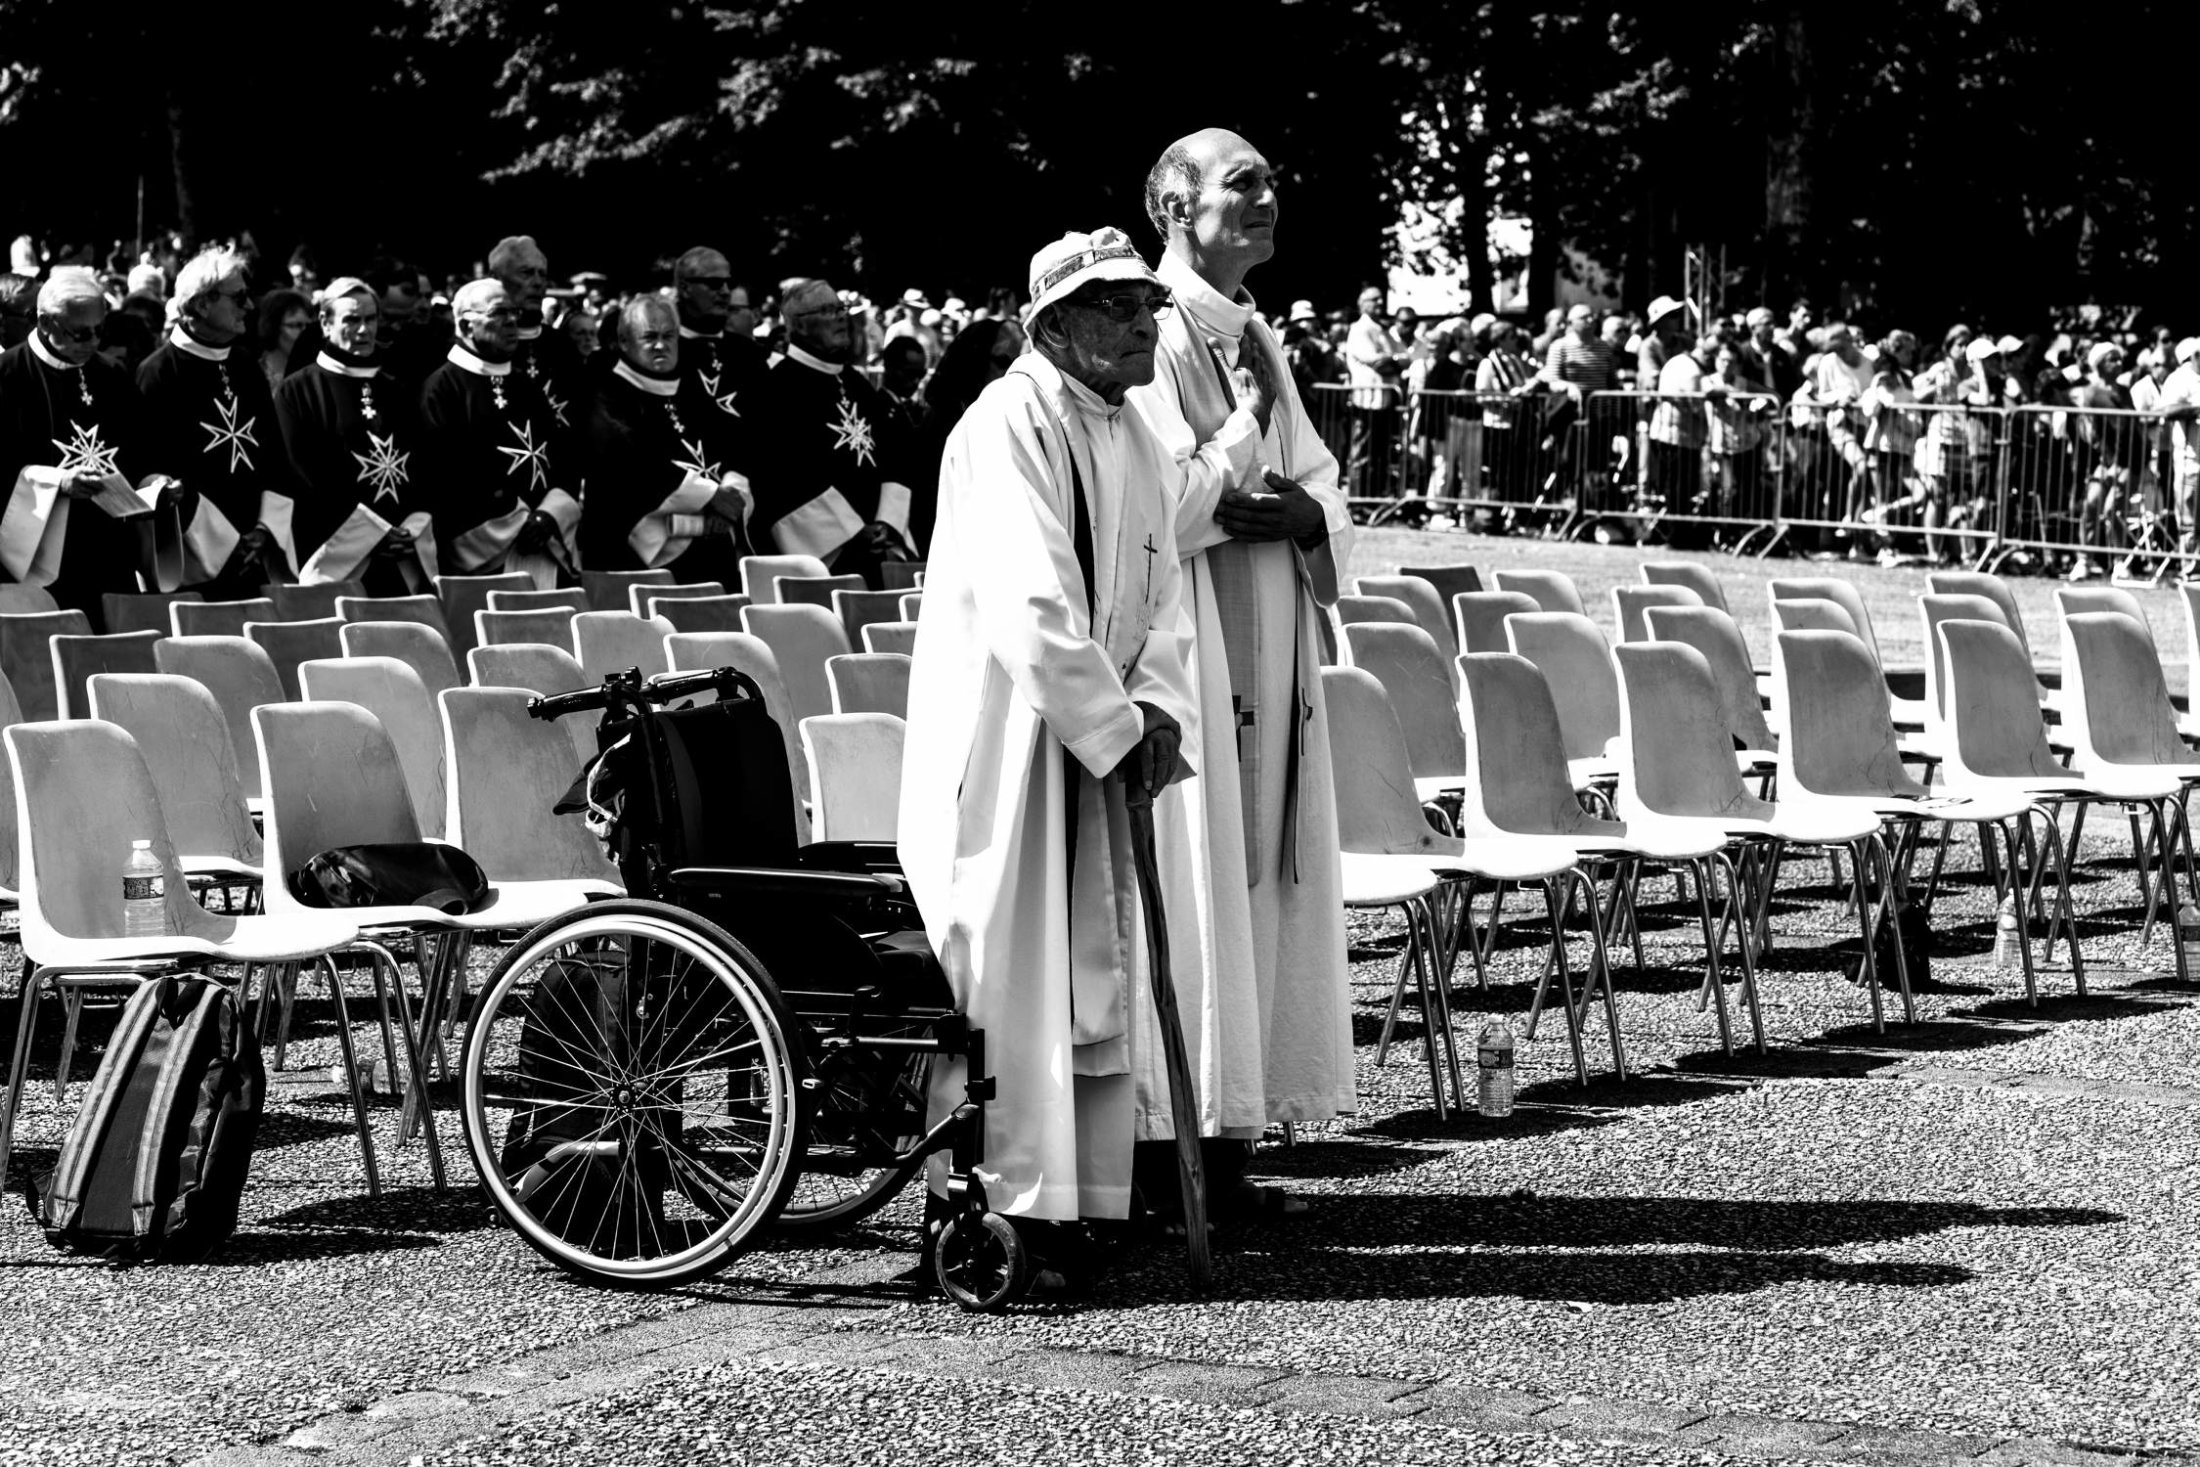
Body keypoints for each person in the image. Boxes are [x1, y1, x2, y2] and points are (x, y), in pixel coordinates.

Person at [899, 225, 1196, 1278]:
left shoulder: (1138, 438)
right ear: (1057, 323)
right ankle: (1001, 1201)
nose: (1143, 323)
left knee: (1094, 969)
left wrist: (1155, 708)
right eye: (1118, 306)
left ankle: (1088, 1199)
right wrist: (1113, 727)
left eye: (1149, 305)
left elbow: (1164, 601)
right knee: (1019, 974)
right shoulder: (1006, 422)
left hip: (1094, 736)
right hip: (1017, 742)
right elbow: (1029, 599)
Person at [1130, 128, 1355, 1215]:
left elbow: (1311, 478)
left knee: (1256, 885)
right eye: (1241, 184)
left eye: (1272, 180)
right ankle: (1171, 1149)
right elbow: (1156, 502)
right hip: (1200, 653)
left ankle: (1229, 1142)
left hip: (1272, 635)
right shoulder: (1150, 329)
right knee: (1200, 883)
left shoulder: (1253, 331)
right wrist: (1240, 482)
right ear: (1173, 208)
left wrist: (1310, 514)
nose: (1269, 197)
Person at [0, 267, 184, 624]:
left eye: (101, 330)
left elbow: (142, 450)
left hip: (109, 550)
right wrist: (58, 482)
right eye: (81, 332)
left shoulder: (112, 374)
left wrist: (156, 483)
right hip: (42, 558)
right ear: (45, 322)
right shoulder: (7, 376)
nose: (93, 342)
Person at [136, 245, 291, 594]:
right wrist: (226, 543)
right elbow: (153, 471)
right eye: (238, 298)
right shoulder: (157, 374)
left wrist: (266, 529)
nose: (249, 307)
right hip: (194, 560)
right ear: (201, 304)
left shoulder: (246, 366)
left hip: (257, 551)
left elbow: (274, 455)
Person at [270, 277, 437, 591]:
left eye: (371, 319)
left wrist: (411, 528)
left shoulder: (396, 390)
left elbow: (424, 465)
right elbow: (301, 474)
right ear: (325, 322)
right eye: (352, 320)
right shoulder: (297, 392)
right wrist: (370, 534)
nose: (364, 330)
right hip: (336, 556)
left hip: (402, 556)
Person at [747, 278, 916, 585]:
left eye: (840, 308)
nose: (840, 317)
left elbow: (895, 455)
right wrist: (850, 532)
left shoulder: (858, 384)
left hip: (878, 549)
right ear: (799, 325)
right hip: (825, 559)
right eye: (826, 310)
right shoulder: (776, 390)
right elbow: (781, 477)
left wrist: (887, 523)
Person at [417, 278, 582, 585]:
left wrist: (549, 516)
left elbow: (563, 458)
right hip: (483, 558)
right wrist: (517, 523)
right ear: (466, 326)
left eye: (514, 313)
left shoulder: (527, 387)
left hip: (548, 547)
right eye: (499, 313)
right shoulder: (440, 391)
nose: (512, 322)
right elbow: (444, 477)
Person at [574, 296, 751, 574]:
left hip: (711, 546)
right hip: (635, 559)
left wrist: (732, 493)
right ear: (624, 342)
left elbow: (733, 444)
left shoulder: (692, 386)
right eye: (650, 337)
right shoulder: (606, 392)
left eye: (669, 336)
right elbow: (628, 458)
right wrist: (709, 496)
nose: (661, 345)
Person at [910, 317, 1024, 553]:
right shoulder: (943, 419)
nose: (1010, 374)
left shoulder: (1011, 413)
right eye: (1002, 362)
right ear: (976, 360)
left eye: (1018, 364)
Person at [488, 235, 584, 431]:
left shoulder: (562, 346)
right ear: (496, 279)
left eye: (542, 274)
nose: (538, 282)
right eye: (526, 273)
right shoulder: (483, 345)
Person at [1341, 286, 1404, 500]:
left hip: (1383, 399)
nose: (1380, 303)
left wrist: (1393, 361)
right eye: (1374, 300)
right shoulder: (1360, 329)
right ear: (1363, 303)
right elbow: (1378, 362)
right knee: (1362, 452)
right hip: (1367, 399)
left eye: (1381, 299)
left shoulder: (1382, 329)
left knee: (1380, 453)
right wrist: (1393, 361)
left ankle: (1374, 497)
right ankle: (1358, 500)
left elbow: (1402, 357)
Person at [256, 288, 313, 389]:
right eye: (297, 325)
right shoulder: (252, 373)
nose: (305, 333)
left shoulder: (313, 374)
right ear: (273, 326)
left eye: (308, 326)